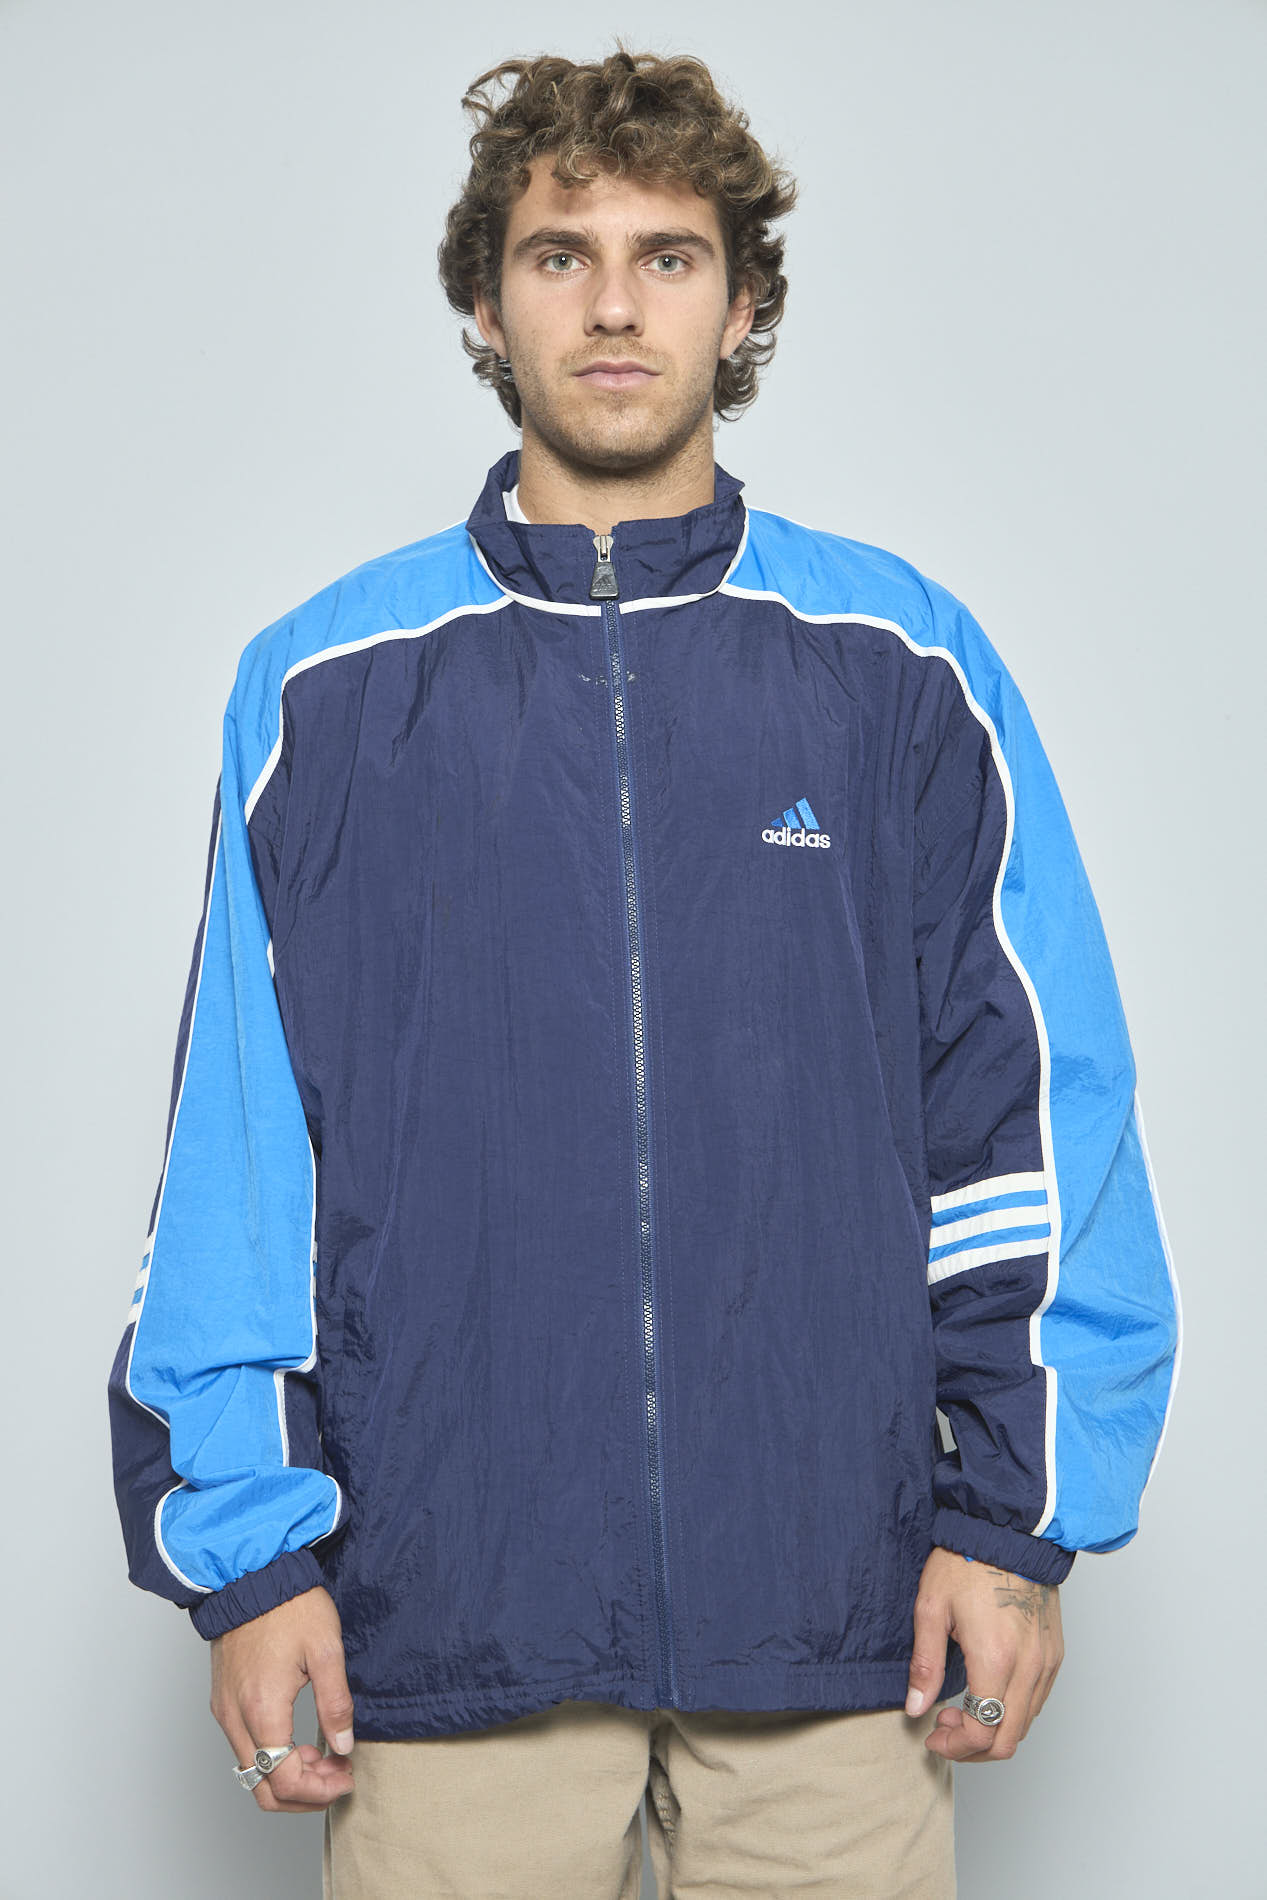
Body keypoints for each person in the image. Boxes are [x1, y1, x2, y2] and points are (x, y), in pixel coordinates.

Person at [108, 46, 1180, 1900]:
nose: (614, 305)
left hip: (842, 1625)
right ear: (485, 300)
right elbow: (238, 1166)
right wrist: (253, 1558)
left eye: (668, 256)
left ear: (742, 303)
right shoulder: (322, 695)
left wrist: (1015, 1521)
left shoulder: (901, 669)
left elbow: (1029, 1118)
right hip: (447, 1625)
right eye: (561, 254)